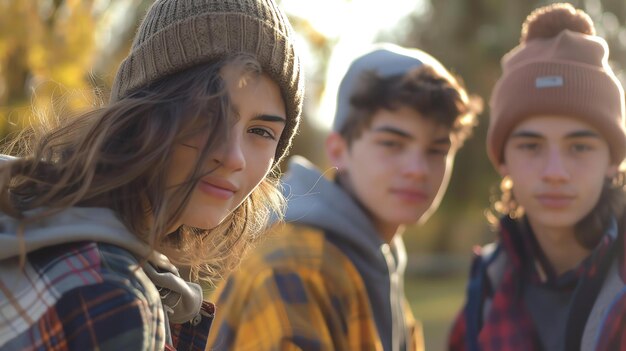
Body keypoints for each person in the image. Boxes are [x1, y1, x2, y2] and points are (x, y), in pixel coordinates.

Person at [0, 0, 304, 349]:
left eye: (262, 132)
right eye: (208, 114)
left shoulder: (35, 225)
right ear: (144, 112)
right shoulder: (111, 300)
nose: (234, 157)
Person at [207, 43, 481, 351]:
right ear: (338, 150)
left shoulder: (376, 256)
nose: (417, 170)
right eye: (392, 144)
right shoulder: (296, 266)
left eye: (437, 150)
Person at [448, 3, 626, 351]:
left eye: (580, 147)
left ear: (612, 160)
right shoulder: (485, 287)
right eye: (531, 146)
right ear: (503, 161)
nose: (555, 173)